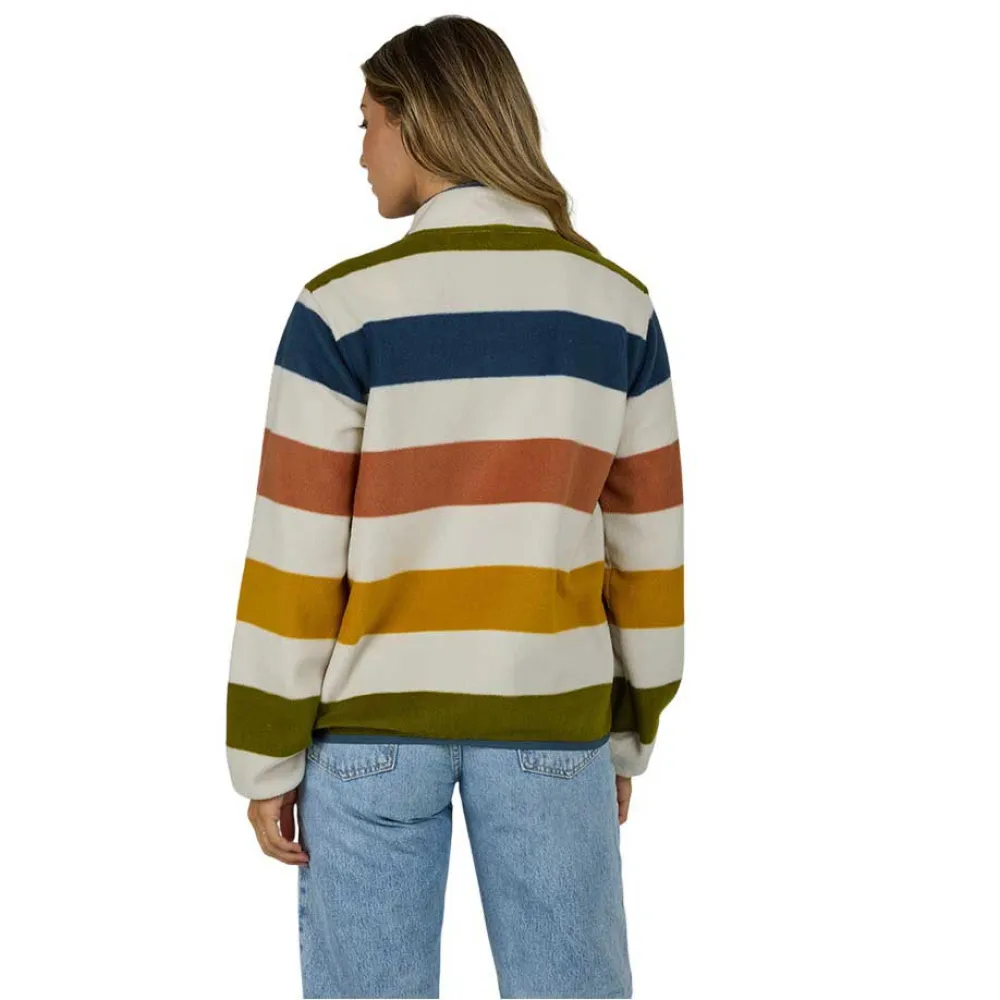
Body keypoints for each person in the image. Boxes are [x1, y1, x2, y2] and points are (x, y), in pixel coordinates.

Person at [225, 14, 684, 999]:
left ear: (416, 118)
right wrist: (628, 729)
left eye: (365, 122)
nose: (359, 151)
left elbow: (294, 552)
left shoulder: (341, 310)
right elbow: (648, 552)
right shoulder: (615, 309)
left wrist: (264, 757)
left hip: (370, 734)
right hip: (550, 721)